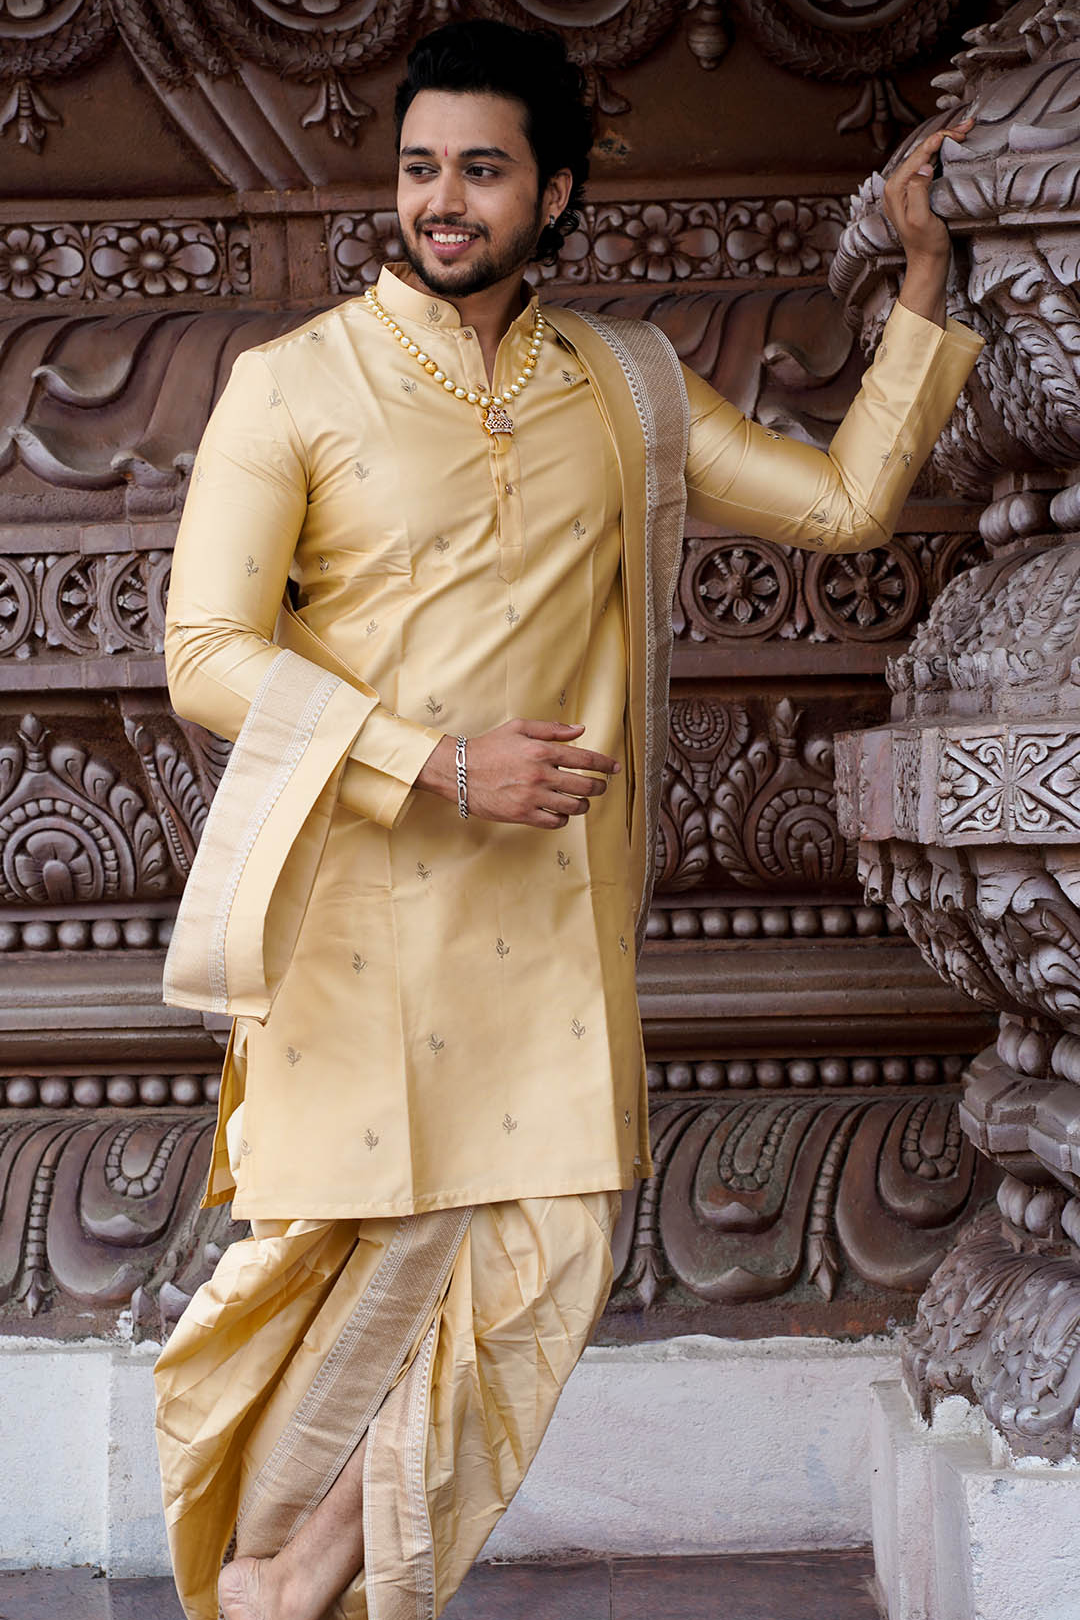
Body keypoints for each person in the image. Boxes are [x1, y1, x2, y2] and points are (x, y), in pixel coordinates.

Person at [153, 20, 981, 1620]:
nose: (442, 202)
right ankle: (280, 1576)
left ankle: (296, 1581)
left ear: (556, 192)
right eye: (418, 169)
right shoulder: (295, 387)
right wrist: (442, 764)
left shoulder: (628, 389)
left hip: (546, 933)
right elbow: (204, 654)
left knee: (536, 1275)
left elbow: (842, 505)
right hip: (362, 924)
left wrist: (925, 283)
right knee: (343, 1287)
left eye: (480, 170)